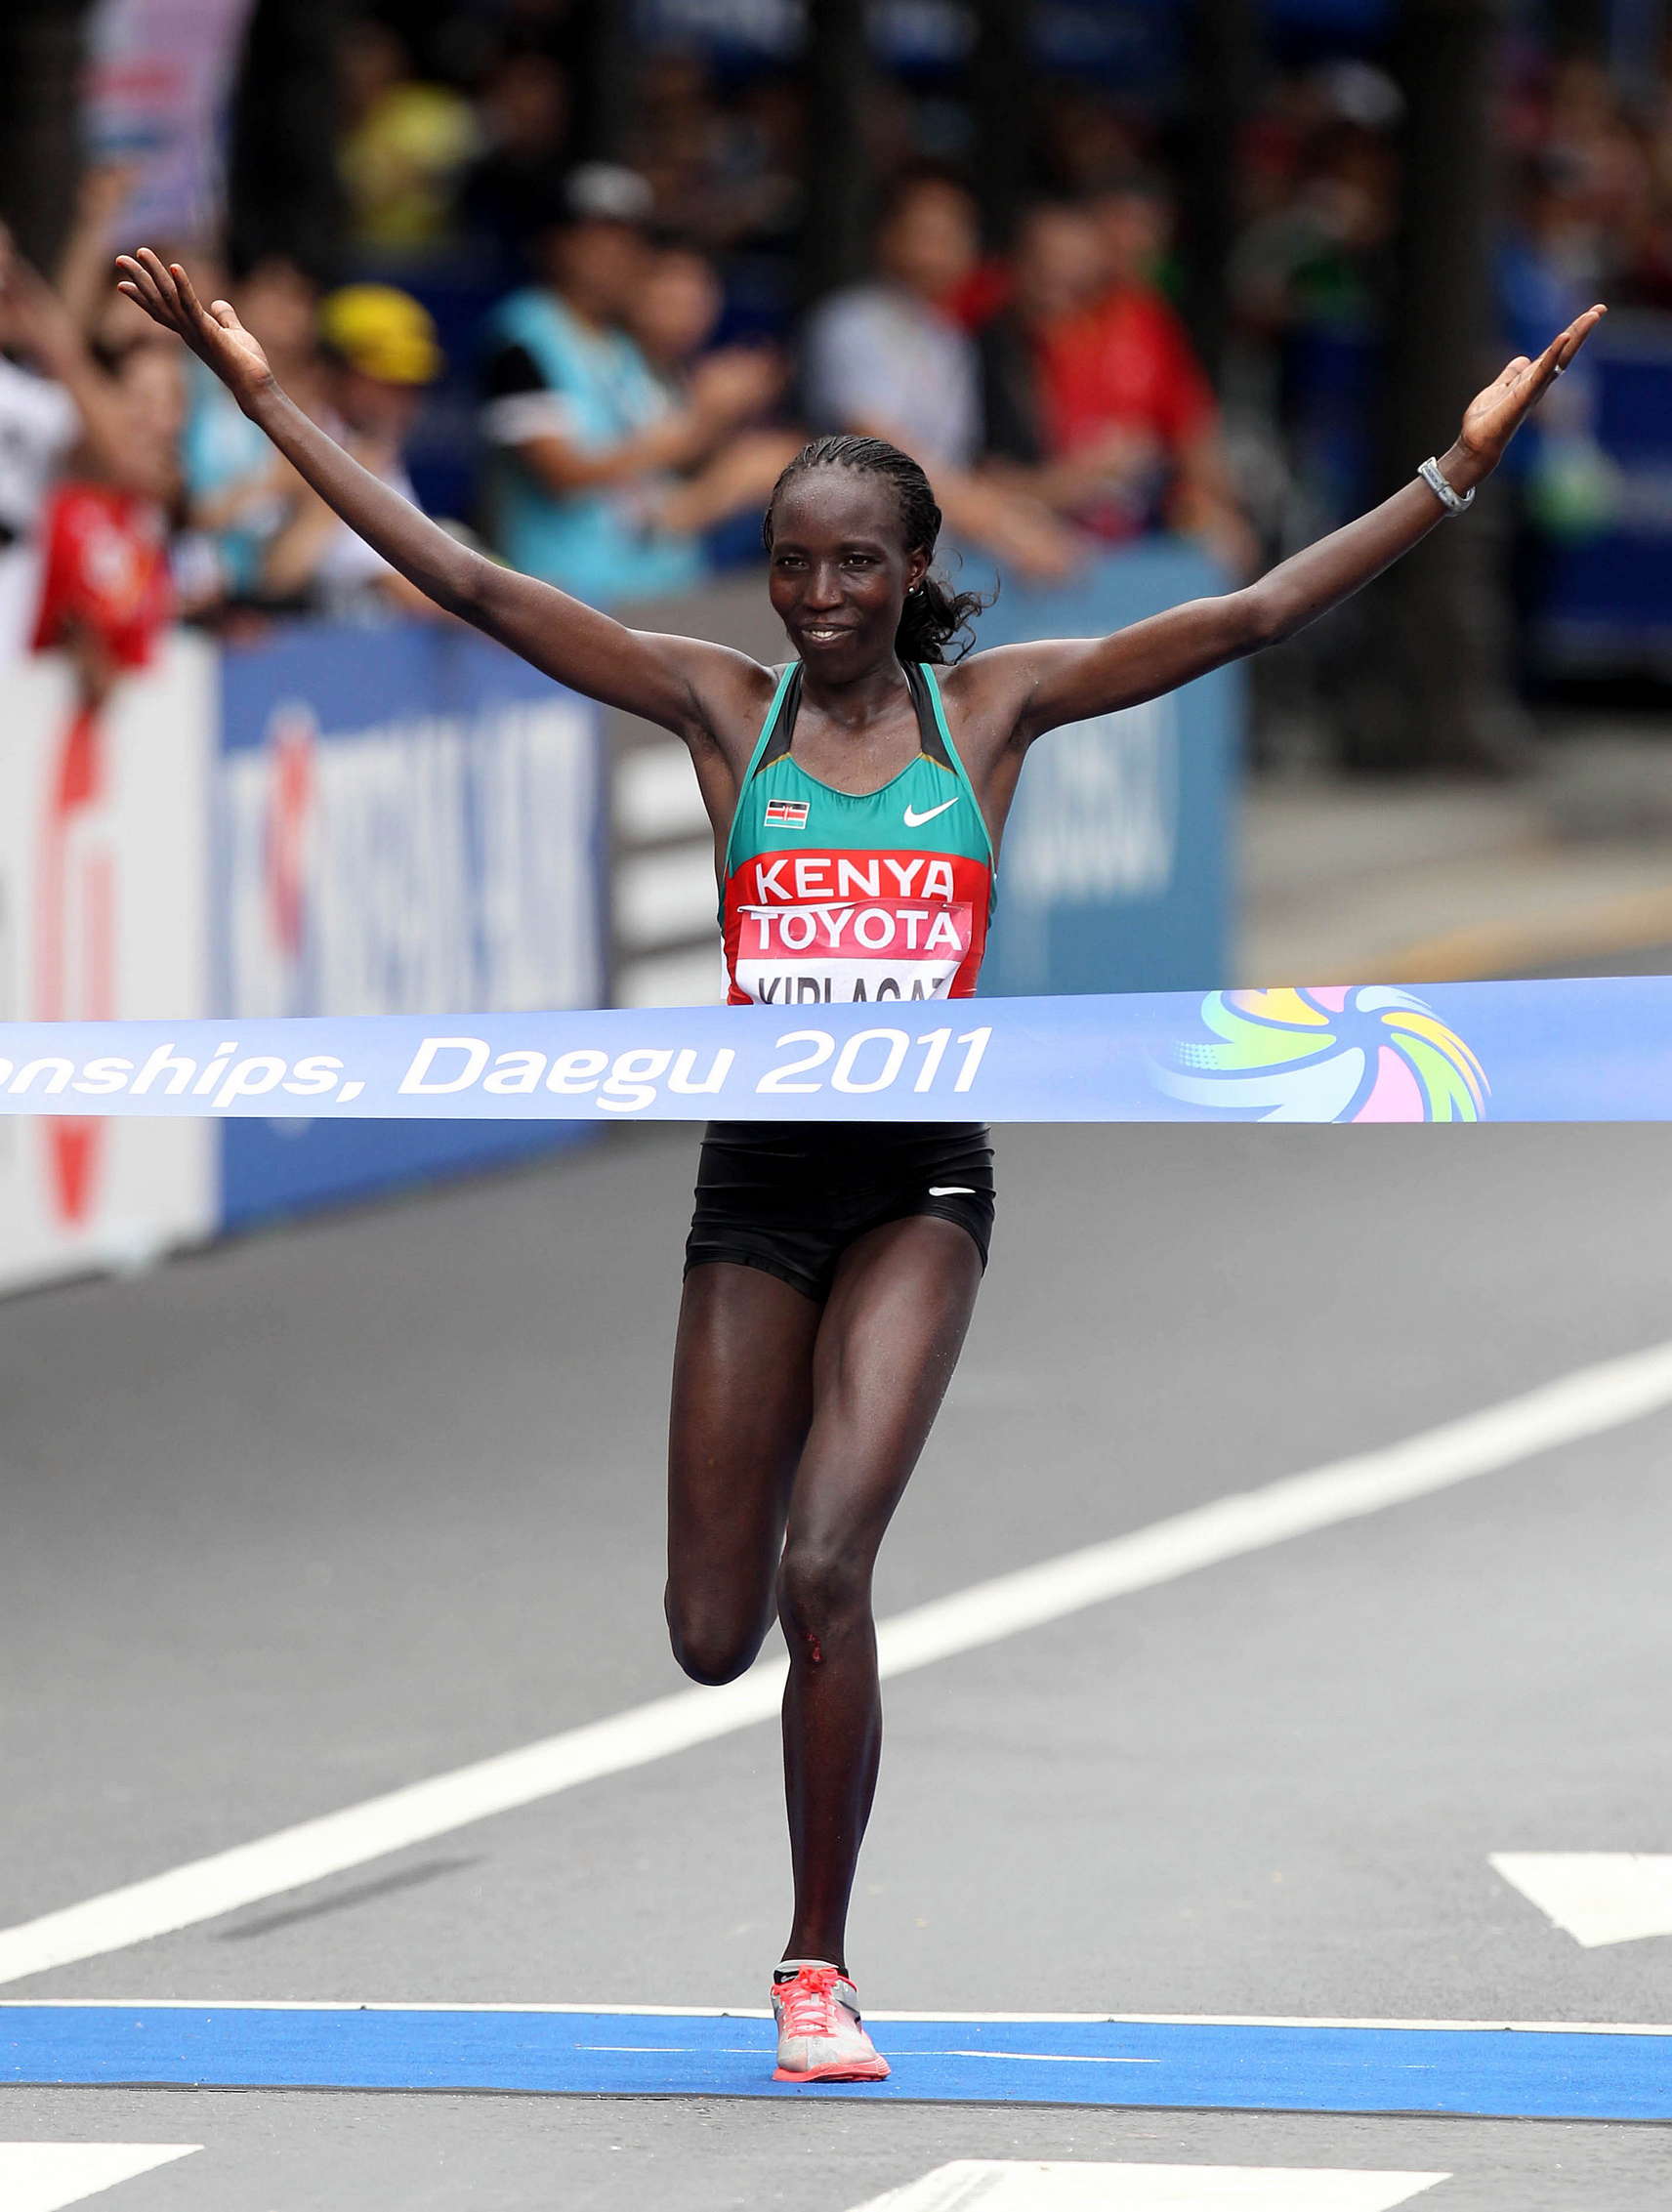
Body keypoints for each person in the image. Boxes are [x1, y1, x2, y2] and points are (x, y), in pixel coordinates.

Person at [115, 241, 1602, 2085]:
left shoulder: (992, 713)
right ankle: (785, 1791)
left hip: (919, 1193)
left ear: (912, 573)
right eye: (791, 566)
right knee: (709, 1630)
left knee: (829, 1566)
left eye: (854, 566)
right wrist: (264, 396)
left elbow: (1251, 613)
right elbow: (476, 582)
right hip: (756, 1193)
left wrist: (1454, 467)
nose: (819, 599)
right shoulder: (715, 708)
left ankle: (814, 1967)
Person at [479, 164, 779, 603]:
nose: (616, 255)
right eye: (598, 239)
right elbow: (561, 475)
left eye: (628, 241)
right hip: (571, 598)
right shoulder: (524, 338)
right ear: (558, 245)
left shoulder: (625, 347)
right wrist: (700, 421)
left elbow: (669, 473)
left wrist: (724, 419)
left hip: (663, 590)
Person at [801, 171, 1079, 581]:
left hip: (934, 557)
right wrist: (1003, 528)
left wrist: (1024, 514)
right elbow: (881, 456)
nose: (944, 249)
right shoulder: (849, 323)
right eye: (928, 233)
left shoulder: (951, 341)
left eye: (957, 232)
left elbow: (956, 470)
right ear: (888, 237)